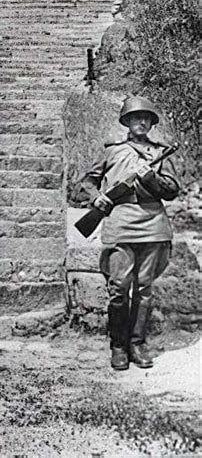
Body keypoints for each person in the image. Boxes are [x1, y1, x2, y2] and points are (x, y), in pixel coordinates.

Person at [74, 96, 180, 370]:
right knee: (119, 288)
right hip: (120, 223)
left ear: (152, 123)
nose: (141, 122)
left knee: (144, 289)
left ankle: (137, 343)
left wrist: (150, 178)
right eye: (135, 118)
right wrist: (97, 198)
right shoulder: (112, 152)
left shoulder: (160, 153)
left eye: (146, 118)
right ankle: (118, 346)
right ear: (127, 122)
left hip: (153, 225)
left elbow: (171, 190)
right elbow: (87, 181)